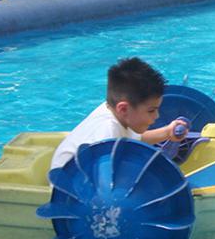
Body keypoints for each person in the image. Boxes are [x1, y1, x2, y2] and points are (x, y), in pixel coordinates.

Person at [50, 57, 186, 170]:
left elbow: (135, 139)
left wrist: (167, 133)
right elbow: (107, 185)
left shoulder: (113, 110)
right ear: (123, 109)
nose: (156, 116)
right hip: (67, 190)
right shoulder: (106, 133)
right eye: (151, 110)